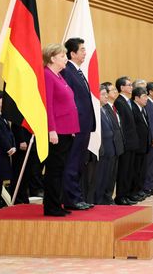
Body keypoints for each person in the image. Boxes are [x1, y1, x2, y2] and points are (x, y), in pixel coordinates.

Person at [43, 43, 80, 216]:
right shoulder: (47, 75)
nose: (66, 58)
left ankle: (57, 204)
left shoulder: (59, 76)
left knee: (61, 169)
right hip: (57, 131)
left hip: (66, 130)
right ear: (52, 58)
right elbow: (48, 105)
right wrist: (52, 130)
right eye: (63, 56)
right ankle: (51, 207)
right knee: (55, 170)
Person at [61, 37, 95, 210]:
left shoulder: (79, 72)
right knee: (72, 163)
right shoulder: (67, 71)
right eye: (82, 50)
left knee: (80, 162)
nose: (85, 53)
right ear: (72, 53)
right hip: (75, 126)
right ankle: (71, 199)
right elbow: (69, 102)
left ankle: (78, 196)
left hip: (85, 125)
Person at [94, 84, 123, 205]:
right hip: (103, 149)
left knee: (109, 177)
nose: (106, 97)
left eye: (107, 94)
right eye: (103, 94)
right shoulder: (96, 110)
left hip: (112, 148)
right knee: (101, 177)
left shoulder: (106, 109)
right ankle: (99, 200)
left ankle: (107, 198)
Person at [114, 76, 139, 205]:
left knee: (130, 170)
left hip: (132, 141)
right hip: (126, 142)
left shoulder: (128, 101)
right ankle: (121, 196)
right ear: (122, 87)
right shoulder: (119, 102)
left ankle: (128, 194)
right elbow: (122, 124)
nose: (131, 87)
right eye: (129, 85)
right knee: (123, 170)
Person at [131, 87, 151, 201]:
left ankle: (139, 190)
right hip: (137, 145)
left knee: (141, 170)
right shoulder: (133, 108)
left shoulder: (142, 109)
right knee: (135, 170)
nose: (146, 99)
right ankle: (134, 191)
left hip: (144, 144)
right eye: (144, 97)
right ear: (137, 98)